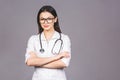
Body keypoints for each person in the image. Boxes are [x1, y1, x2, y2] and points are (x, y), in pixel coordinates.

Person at [25, 5, 71, 80]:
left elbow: (64, 63)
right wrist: (56, 57)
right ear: (39, 21)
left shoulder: (64, 39)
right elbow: (30, 62)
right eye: (42, 19)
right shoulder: (33, 39)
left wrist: (38, 62)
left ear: (55, 19)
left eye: (49, 19)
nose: (45, 22)